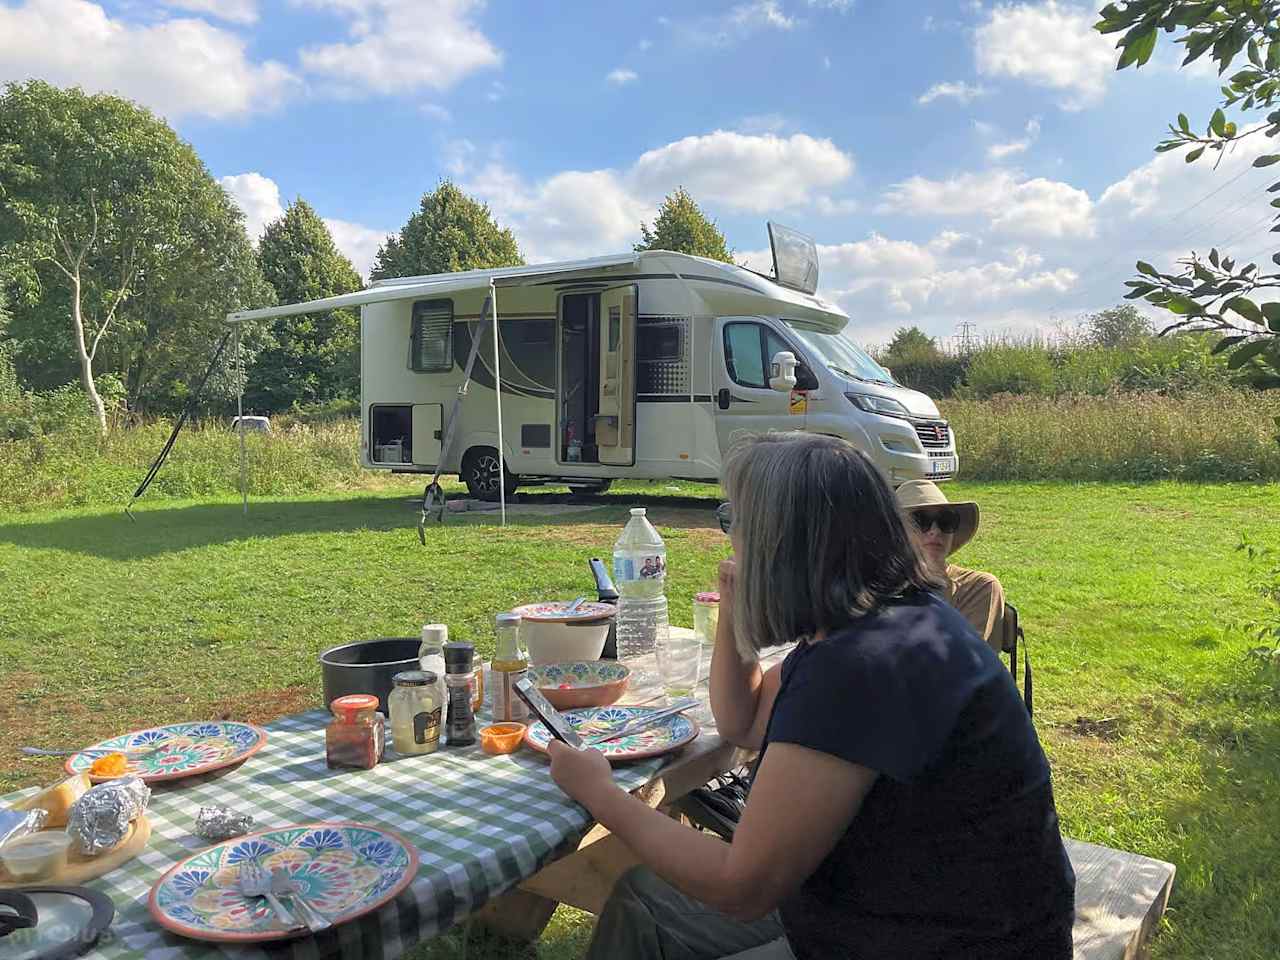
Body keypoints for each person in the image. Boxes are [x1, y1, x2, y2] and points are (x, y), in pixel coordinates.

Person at [547, 432, 1075, 960]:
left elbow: (741, 887)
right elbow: (744, 722)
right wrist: (736, 605)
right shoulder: (888, 617)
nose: (731, 538)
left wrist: (601, 795)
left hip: (950, 943)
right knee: (645, 899)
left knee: (664, 903)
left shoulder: (862, 666)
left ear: (786, 546)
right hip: (899, 913)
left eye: (737, 523)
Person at [896, 479, 1007, 653]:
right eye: (920, 521)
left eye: (945, 521)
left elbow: (962, 663)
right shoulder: (870, 587)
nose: (935, 530)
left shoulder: (976, 587)